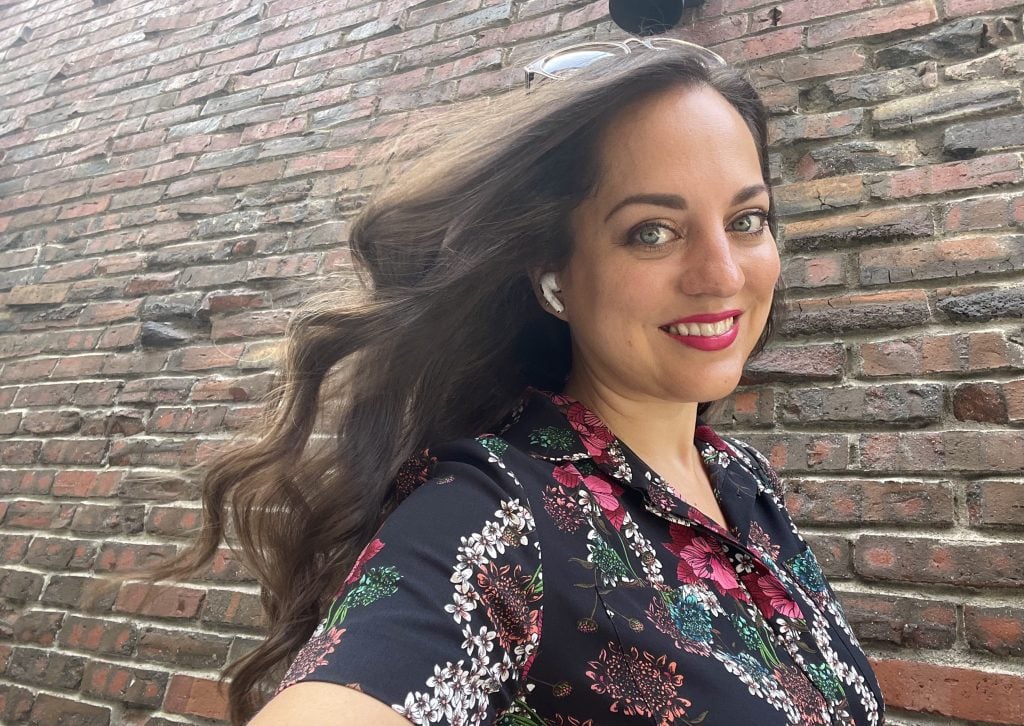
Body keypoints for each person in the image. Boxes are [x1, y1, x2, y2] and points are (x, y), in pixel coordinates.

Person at [163, 39, 885, 725]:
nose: (722, 274)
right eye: (651, 232)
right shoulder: (495, 509)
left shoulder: (741, 479)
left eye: (746, 220)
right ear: (553, 276)